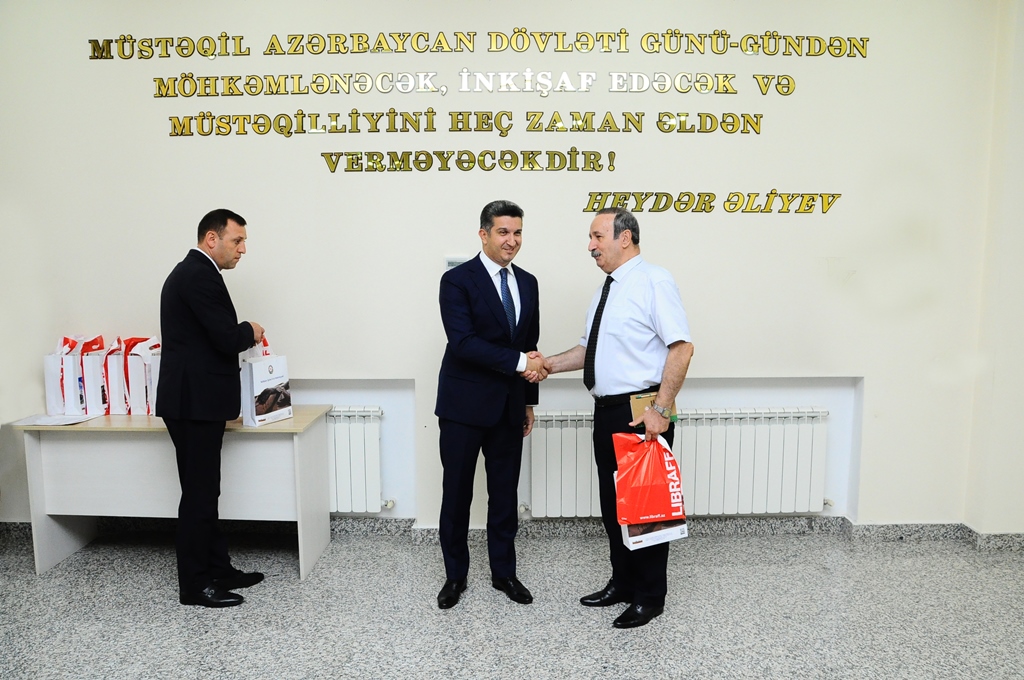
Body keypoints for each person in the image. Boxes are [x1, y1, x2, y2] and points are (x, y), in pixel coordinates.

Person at [537, 207, 694, 629]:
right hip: (606, 411)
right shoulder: (606, 290)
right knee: (614, 505)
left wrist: (661, 409)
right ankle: (622, 583)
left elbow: (682, 347)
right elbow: (589, 351)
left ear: (625, 238)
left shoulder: (654, 281)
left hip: (641, 411)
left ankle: (650, 597)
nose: (590, 246)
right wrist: (547, 364)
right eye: (590, 238)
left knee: (646, 510)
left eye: (597, 236)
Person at [434, 200, 548, 609]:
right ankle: (455, 576)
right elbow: (463, 343)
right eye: (503, 232)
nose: (511, 240)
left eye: (517, 232)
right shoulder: (457, 281)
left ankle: (504, 573)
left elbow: (530, 343)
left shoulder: (529, 282)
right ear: (483, 234)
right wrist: (521, 363)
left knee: (504, 496)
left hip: (509, 407)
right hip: (462, 408)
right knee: (456, 495)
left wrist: (529, 402)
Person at [156, 208, 267, 608]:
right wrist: (250, 330)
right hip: (193, 403)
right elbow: (224, 337)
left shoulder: (197, 272)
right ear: (211, 239)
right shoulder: (197, 275)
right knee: (199, 496)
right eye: (237, 240)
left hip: (195, 400)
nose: (242, 249)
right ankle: (195, 584)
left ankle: (218, 568)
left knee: (205, 491)